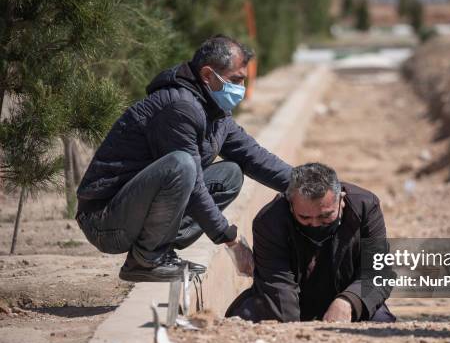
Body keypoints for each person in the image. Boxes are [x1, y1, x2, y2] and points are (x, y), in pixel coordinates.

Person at [76, 35, 291, 282]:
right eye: (235, 80)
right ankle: (146, 260)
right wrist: (230, 239)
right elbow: (194, 183)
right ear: (208, 75)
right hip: (105, 221)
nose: (240, 90)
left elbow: (254, 156)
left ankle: (160, 250)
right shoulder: (180, 107)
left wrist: (306, 187)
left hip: (135, 210)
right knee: (182, 165)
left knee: (230, 174)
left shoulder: (216, 111)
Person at [226, 162, 396, 323]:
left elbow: (378, 272)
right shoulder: (270, 221)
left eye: (325, 216)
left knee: (381, 324)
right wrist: (296, 331)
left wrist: (348, 302)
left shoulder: (365, 207)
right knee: (244, 318)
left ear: (341, 199)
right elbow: (277, 284)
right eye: (304, 217)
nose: (314, 224)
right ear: (291, 205)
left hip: (347, 296)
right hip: (288, 301)